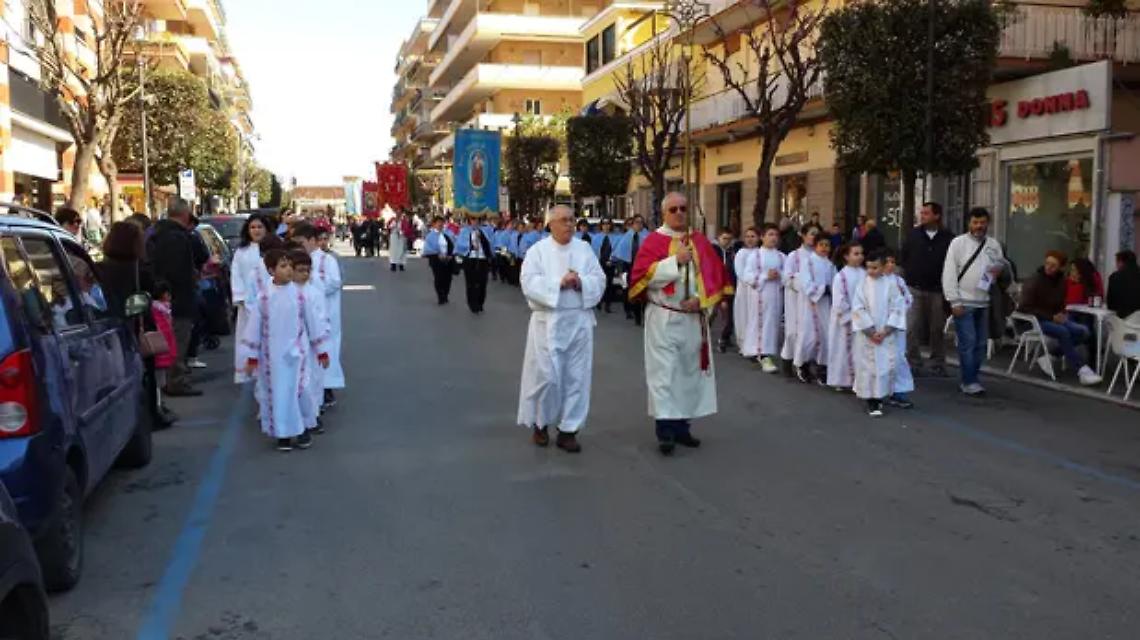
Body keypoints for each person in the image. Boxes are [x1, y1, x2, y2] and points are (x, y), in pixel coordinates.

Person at [629, 193, 732, 456]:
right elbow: (642, 277)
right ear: (664, 213)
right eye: (673, 209)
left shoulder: (698, 241)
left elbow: (713, 278)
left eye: (683, 208)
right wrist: (675, 261)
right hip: (664, 316)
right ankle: (665, 431)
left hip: (692, 319)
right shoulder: (653, 241)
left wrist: (701, 300)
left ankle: (682, 427)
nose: (678, 213)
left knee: (688, 373)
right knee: (665, 374)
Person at [517, 205, 606, 454]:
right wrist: (558, 283)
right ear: (551, 224)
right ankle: (541, 424)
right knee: (546, 377)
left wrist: (580, 282)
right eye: (564, 220)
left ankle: (569, 430)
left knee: (576, 377)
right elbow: (528, 282)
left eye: (572, 220)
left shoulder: (584, 249)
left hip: (578, 321)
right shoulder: (538, 251)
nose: (569, 225)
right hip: (548, 322)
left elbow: (599, 279)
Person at [239, 250, 330, 452]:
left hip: (297, 354)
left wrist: (321, 350)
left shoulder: (299, 296)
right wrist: (252, 357)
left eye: (289, 265)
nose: (288, 270)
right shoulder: (264, 298)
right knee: (278, 395)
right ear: (271, 270)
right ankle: (283, 434)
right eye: (282, 266)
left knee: (300, 392)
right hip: (272, 358)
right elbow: (254, 329)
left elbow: (313, 323)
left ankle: (304, 426)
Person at [98, 221, 173, 428]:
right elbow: (151, 290)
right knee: (145, 373)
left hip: (109, 325)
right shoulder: (139, 269)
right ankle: (152, 415)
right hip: (137, 325)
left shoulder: (100, 268)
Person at [942, 207, 1008, 396]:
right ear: (969, 223)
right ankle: (969, 381)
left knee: (980, 344)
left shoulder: (994, 245)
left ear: (988, 223)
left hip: (985, 302)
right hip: (964, 302)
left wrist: (999, 271)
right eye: (975, 222)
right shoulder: (958, 243)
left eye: (982, 222)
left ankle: (972, 377)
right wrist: (954, 301)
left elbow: (1001, 267)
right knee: (968, 342)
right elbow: (949, 273)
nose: (979, 226)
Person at [1018, 251, 1103, 386]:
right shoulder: (1035, 281)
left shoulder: (1062, 282)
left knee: (1084, 331)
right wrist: (1051, 316)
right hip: (1038, 319)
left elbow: (1062, 303)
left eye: (1053, 265)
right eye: (1047, 263)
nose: (1049, 267)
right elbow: (1024, 307)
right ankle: (1082, 370)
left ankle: (1051, 355)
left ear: (1060, 268)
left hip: (1055, 317)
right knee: (1063, 332)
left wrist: (1062, 314)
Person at [148, 199, 205, 397]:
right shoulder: (178, 237)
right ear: (185, 214)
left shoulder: (156, 233)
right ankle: (176, 382)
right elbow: (178, 271)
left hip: (162, 297)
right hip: (177, 299)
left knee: (171, 341)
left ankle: (169, 380)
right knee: (177, 341)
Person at [853, 249, 910, 417]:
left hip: (885, 333)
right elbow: (857, 308)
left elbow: (898, 307)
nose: (871, 271)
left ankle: (881, 396)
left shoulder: (891, 285)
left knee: (884, 367)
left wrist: (887, 330)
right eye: (869, 267)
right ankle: (872, 401)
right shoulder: (862, 285)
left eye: (875, 267)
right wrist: (870, 331)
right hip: (868, 335)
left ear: (884, 266)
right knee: (868, 367)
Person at [295, 224, 345, 406]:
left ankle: (327, 387)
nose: (300, 246)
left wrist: (313, 283)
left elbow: (334, 282)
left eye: (302, 242)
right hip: (304, 313)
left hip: (326, 311)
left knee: (325, 348)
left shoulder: (326, 260)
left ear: (311, 241)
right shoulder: (297, 260)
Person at [901, 201, 954, 374]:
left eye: (926, 213)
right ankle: (914, 362)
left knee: (937, 328)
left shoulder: (948, 238)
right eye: (921, 212)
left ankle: (938, 362)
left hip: (938, 289)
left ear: (936, 216)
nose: (921, 216)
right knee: (911, 326)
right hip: (914, 288)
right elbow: (904, 257)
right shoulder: (913, 235)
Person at [290, 249, 331, 435]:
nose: (304, 274)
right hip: (288, 347)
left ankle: (312, 417)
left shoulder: (314, 293)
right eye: (300, 270)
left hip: (310, 345)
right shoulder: (284, 292)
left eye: (307, 270)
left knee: (311, 382)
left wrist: (322, 348)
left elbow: (320, 320)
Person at [231, 215, 270, 384]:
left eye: (260, 227)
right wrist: (239, 297)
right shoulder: (242, 251)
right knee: (248, 337)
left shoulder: (272, 249)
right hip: (248, 304)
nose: (256, 230)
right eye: (253, 227)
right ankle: (248, 371)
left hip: (270, 302)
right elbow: (236, 274)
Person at [793, 235, 836, 383]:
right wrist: (823, 290)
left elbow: (836, 284)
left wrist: (833, 291)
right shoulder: (808, 263)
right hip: (809, 304)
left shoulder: (830, 265)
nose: (824, 248)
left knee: (825, 336)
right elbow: (805, 283)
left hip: (825, 306)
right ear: (815, 246)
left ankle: (821, 366)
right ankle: (802, 364)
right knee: (808, 336)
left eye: (827, 245)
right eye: (821, 245)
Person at [781, 224, 821, 369]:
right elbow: (786, 278)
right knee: (793, 332)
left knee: (811, 332)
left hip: (814, 300)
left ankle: (806, 362)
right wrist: (801, 282)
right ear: (803, 236)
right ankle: (787, 359)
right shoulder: (794, 256)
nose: (814, 237)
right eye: (811, 233)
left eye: (817, 234)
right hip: (795, 298)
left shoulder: (820, 257)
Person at [826, 243, 865, 390]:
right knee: (841, 349)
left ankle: (857, 380)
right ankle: (840, 380)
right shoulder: (840, 276)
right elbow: (839, 300)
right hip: (845, 320)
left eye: (861, 253)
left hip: (861, 319)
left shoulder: (865, 273)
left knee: (858, 350)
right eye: (856, 253)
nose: (860, 256)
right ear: (846, 256)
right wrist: (851, 314)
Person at [883, 251, 916, 406]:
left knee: (899, 358)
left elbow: (908, 298)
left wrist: (899, 310)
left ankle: (899, 391)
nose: (890, 265)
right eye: (887, 262)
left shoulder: (899, 281)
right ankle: (878, 392)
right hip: (882, 328)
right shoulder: (875, 281)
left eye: (893, 262)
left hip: (897, 326)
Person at [614, 215, 649, 325]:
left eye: (641, 223)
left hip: (645, 268)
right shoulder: (627, 236)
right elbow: (619, 252)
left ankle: (645, 315)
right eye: (636, 223)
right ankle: (635, 315)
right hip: (630, 268)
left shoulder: (647, 236)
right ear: (632, 224)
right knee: (632, 291)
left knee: (644, 292)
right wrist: (620, 268)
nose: (639, 225)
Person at [732, 228, 761, 359]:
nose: (750, 239)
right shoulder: (741, 253)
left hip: (758, 291)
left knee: (754, 318)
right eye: (747, 236)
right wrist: (752, 281)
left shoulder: (760, 253)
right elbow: (740, 272)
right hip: (744, 291)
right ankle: (744, 345)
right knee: (743, 316)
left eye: (753, 236)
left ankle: (756, 346)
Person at [456, 217, 493, 314]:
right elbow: (460, 244)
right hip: (470, 258)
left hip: (482, 258)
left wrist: (481, 238)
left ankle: (480, 302)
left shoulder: (485, 230)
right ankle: (473, 304)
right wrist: (471, 245)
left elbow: (490, 243)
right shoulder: (464, 231)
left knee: (482, 282)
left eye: (477, 220)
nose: (475, 222)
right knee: (471, 282)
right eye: (473, 220)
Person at [712, 229, 739, 353]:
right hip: (715, 287)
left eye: (729, 239)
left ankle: (724, 338)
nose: (727, 241)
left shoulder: (733, 252)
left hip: (730, 288)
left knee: (728, 316)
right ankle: (702, 336)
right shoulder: (712, 251)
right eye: (724, 238)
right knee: (711, 314)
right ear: (718, 238)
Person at [422, 216, 455, 304]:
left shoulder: (448, 233)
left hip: (448, 259)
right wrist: (437, 253)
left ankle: (446, 294)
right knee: (438, 278)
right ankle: (440, 296)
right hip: (436, 259)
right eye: (438, 222)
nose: (440, 224)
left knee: (448, 278)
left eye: (441, 222)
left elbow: (453, 244)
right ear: (434, 224)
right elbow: (427, 248)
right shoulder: (430, 236)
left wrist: (450, 255)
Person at [591, 218, 621, 313]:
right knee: (599, 283)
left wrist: (612, 260)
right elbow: (592, 251)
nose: (606, 226)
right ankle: (599, 301)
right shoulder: (595, 237)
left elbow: (617, 250)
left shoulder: (616, 237)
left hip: (610, 263)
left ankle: (608, 304)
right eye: (604, 224)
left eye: (608, 224)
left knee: (609, 284)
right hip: (599, 263)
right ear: (601, 226)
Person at [1107, 250, 1140, 320]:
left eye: (1117, 262)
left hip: (1122, 322)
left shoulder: (1114, 277)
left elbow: (1110, 305)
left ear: (1121, 262)